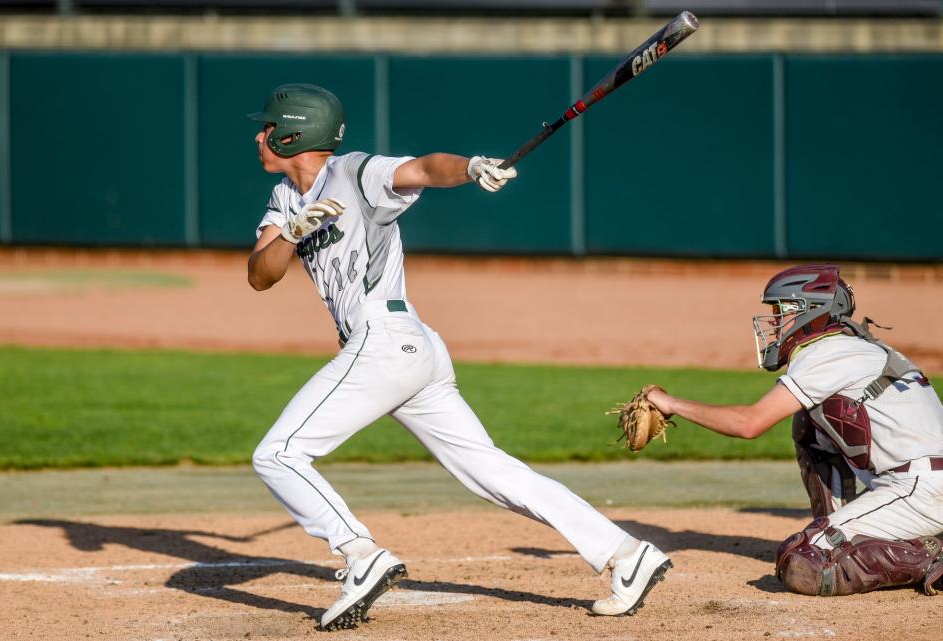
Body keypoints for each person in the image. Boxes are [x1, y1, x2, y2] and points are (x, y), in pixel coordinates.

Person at [245, 83, 671, 630]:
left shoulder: (354, 173)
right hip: (404, 348)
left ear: (292, 132)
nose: (259, 136)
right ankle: (625, 553)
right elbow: (261, 275)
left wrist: (470, 167)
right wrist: (295, 231)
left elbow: (423, 169)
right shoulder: (285, 199)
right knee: (490, 471)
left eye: (267, 127)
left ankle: (359, 555)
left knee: (277, 453)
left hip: (385, 339)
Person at [643, 264, 943, 597]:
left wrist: (670, 404)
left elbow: (749, 423)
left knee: (803, 561)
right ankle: (843, 524)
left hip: (922, 490)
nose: (774, 322)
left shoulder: (826, 352)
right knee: (810, 424)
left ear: (810, 311)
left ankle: (930, 556)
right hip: (923, 485)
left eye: (781, 310)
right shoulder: (854, 346)